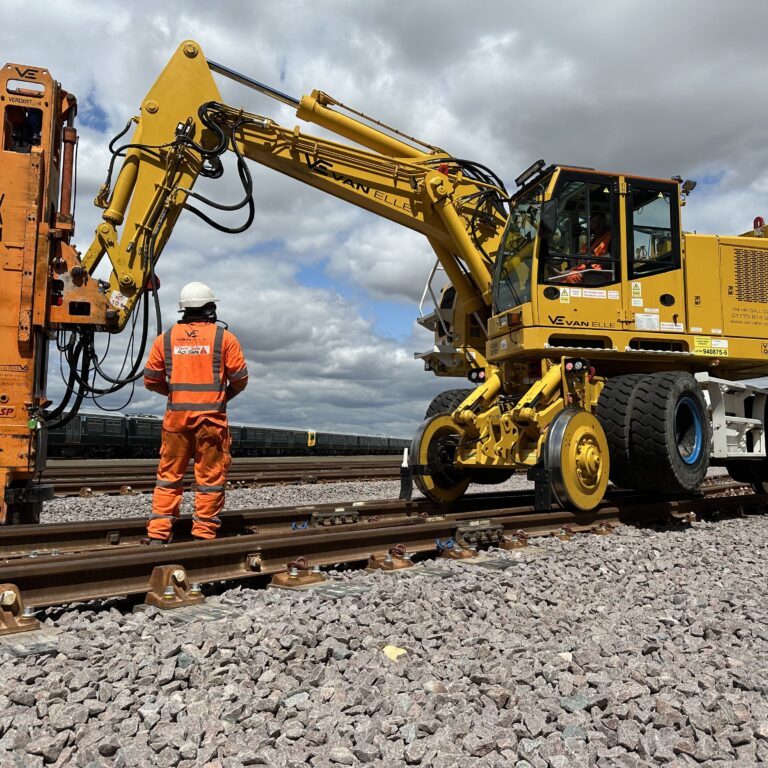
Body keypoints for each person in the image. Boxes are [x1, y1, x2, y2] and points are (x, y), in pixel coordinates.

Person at [143, 282, 249, 543]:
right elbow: (240, 379)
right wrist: (223, 396)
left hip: (176, 422)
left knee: (168, 478)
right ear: (210, 309)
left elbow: (150, 379)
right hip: (211, 423)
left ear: (184, 310)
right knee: (210, 479)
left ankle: (158, 534)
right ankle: (203, 534)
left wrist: (175, 393)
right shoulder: (224, 338)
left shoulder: (166, 339)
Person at [561, 212, 612, 285]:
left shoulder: (611, 238)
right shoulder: (592, 241)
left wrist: (592, 260)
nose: (597, 225)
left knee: (572, 277)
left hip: (601, 273)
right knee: (561, 276)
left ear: (605, 224)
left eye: (600, 222)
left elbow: (614, 257)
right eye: (594, 222)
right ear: (590, 224)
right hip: (588, 270)